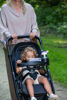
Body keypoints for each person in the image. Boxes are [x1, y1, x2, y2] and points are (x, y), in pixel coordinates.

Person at [0, 0, 40, 100]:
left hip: (28, 45)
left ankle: (38, 95)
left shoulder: (29, 8)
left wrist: (34, 32)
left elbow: (34, 25)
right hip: (12, 46)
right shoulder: (5, 8)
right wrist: (9, 35)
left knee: (34, 70)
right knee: (15, 74)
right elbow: (2, 27)